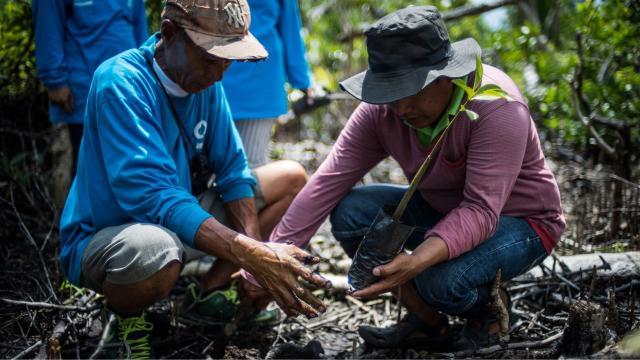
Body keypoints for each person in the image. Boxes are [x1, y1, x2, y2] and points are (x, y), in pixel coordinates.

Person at [243, 5, 565, 351]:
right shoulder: (384, 112)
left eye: (410, 92)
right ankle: (427, 322)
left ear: (444, 77)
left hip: (520, 223)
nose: (401, 109)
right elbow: (327, 182)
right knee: (352, 212)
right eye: (390, 94)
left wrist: (416, 261)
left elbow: (481, 211)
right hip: (444, 211)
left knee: (437, 280)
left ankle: (488, 312)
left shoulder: (494, 108)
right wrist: (268, 262)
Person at [58, 0, 328, 357]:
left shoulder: (205, 85)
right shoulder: (120, 83)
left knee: (291, 178)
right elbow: (154, 197)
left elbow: (233, 170)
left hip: (178, 219)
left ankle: (208, 294)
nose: (220, 74)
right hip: (112, 235)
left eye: (228, 60)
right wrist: (254, 254)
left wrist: (252, 258)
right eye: (210, 59)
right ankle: (123, 324)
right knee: (155, 251)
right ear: (169, 34)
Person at [33, 0, 148, 172]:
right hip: (84, 91)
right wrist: (55, 79)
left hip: (129, 88)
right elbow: (48, 22)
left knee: (130, 163)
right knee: (89, 169)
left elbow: (139, 25)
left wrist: (146, 72)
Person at [221, 0, 313, 168]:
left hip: (257, 82)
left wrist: (303, 82)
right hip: (215, 77)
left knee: (246, 166)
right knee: (244, 164)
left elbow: (289, 26)